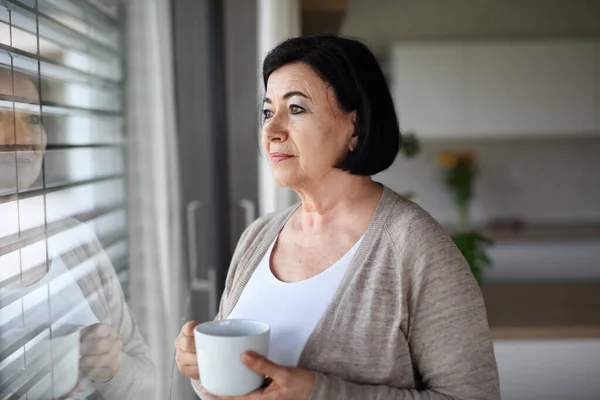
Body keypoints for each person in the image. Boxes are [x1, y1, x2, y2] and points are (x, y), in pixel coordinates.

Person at [174, 35, 500, 400]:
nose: (271, 130)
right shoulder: (258, 236)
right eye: (268, 112)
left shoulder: (415, 246)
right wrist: (205, 369)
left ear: (355, 127)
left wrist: (318, 393)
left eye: (296, 109)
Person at [0, 67, 155, 399]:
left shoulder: (76, 242)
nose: (22, 138)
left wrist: (113, 369)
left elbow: (147, 380)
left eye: (33, 119)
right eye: (1, 114)